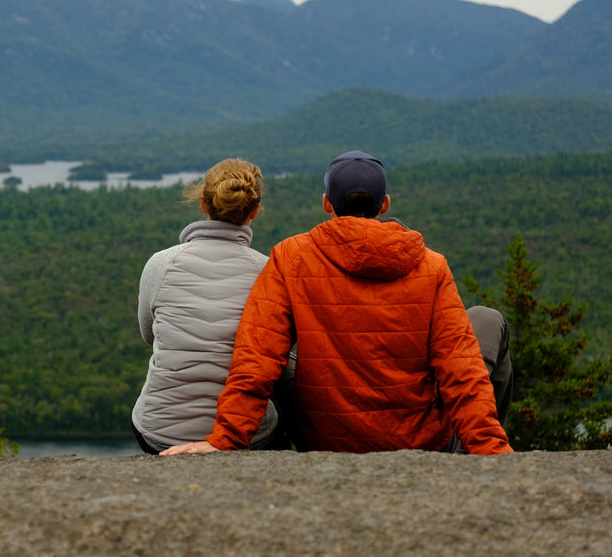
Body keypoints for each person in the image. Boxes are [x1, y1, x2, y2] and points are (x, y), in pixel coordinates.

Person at [162, 150, 513, 456]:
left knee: (282, 360)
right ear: (385, 204)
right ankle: (477, 446)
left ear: (327, 203)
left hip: (325, 441)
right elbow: (461, 368)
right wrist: (492, 451)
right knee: (487, 320)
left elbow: (258, 357)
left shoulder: (291, 257)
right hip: (419, 442)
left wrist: (226, 439)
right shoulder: (431, 266)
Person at [131, 158, 289, 454]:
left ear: (203, 205)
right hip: (246, 436)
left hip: (159, 434)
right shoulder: (267, 270)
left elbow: (149, 335)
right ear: (254, 212)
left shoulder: (161, 264)